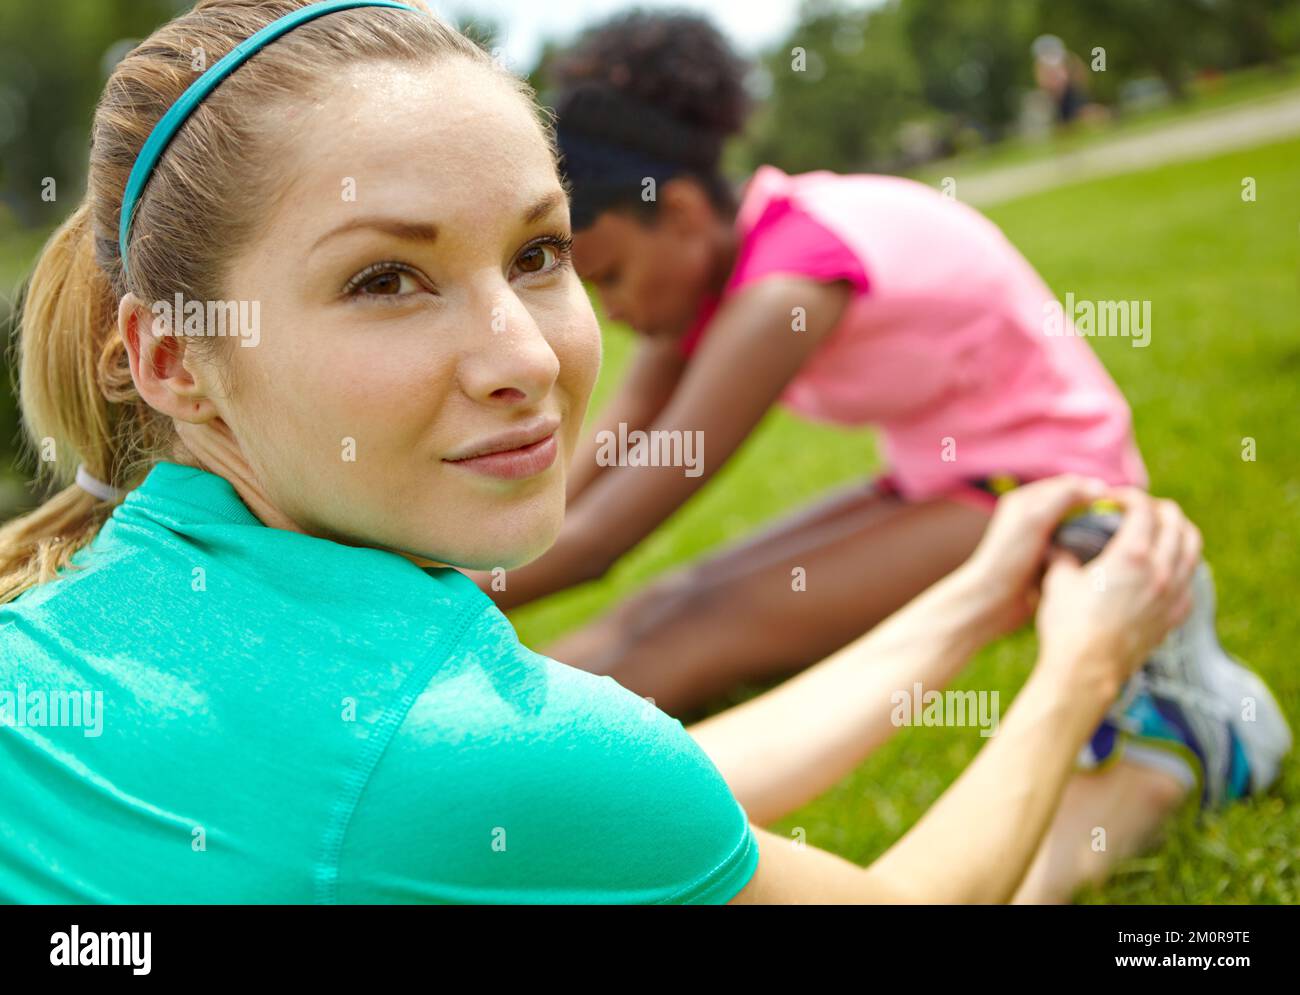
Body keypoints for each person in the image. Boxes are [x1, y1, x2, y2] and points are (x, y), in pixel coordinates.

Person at [0, 0, 1282, 905]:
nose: (527, 355)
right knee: (687, 613)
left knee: (699, 612)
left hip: (1031, 490)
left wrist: (994, 609)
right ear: (171, 359)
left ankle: (1172, 734)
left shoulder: (45, 621)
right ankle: (1162, 745)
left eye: (543, 256)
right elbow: (547, 729)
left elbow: (589, 641)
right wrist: (1076, 666)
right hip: (931, 495)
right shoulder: (458, 757)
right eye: (387, 278)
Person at [477, 14, 1289, 821]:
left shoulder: (785, 288)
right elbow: (578, 487)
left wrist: (388, 594)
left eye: (609, 274)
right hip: (940, 477)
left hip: (1051, 493)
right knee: (676, 597)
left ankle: (472, 766)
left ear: (684, 212)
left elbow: (600, 539)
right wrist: (459, 559)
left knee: (700, 621)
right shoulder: (720, 270)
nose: (607, 308)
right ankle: (450, 735)